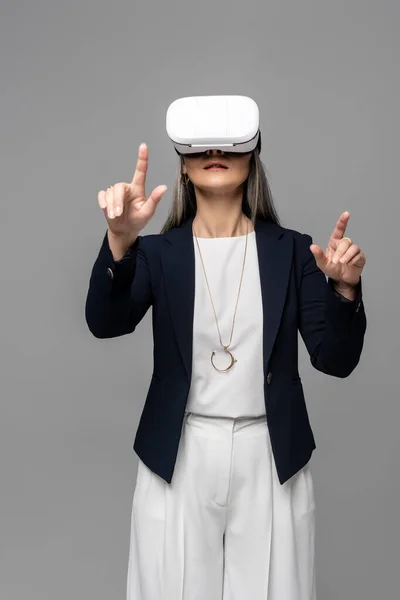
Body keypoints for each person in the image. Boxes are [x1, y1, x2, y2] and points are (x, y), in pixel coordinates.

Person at [85, 136, 367, 599]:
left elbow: (335, 360)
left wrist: (345, 291)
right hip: (179, 451)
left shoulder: (292, 251)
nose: (214, 153)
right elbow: (104, 323)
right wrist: (121, 239)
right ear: (182, 167)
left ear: (252, 160)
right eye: (198, 147)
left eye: (230, 144)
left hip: (270, 453)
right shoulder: (158, 253)